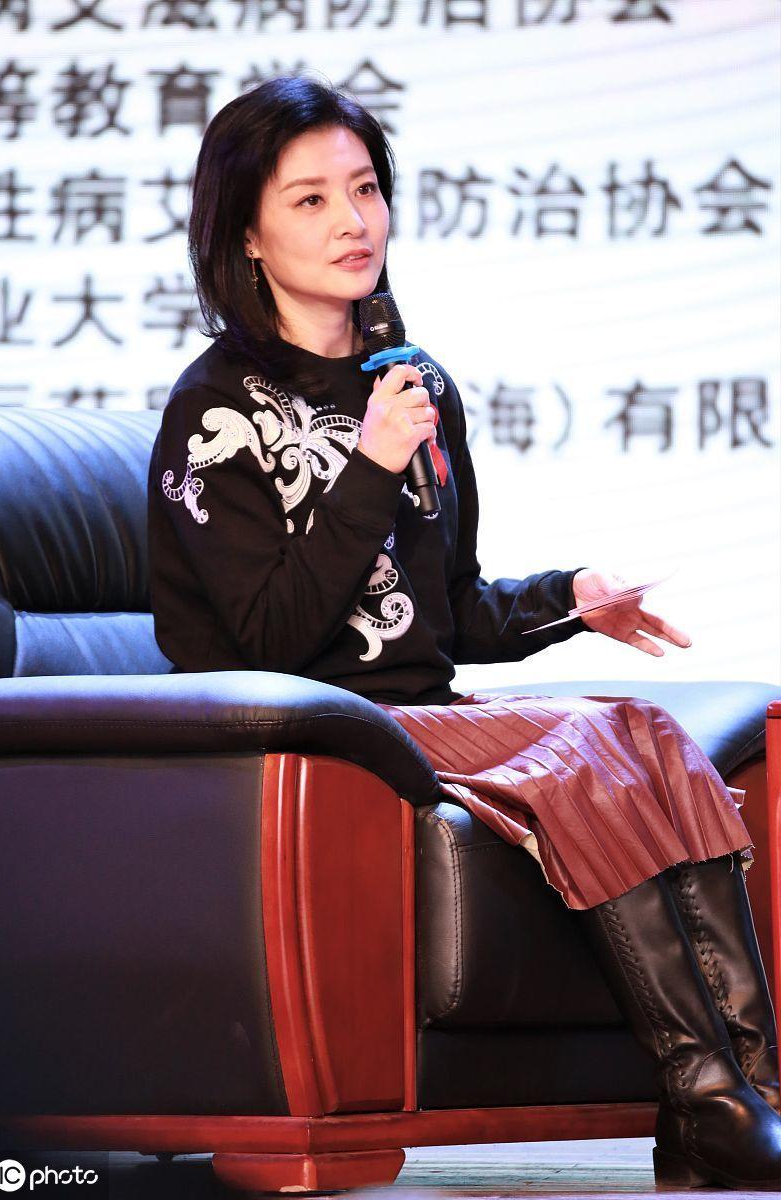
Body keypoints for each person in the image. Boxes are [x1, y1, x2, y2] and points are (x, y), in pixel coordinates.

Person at [146, 75, 780, 1189]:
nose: (353, 222)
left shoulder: (413, 380)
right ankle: (703, 1094)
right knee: (586, 746)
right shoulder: (216, 411)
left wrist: (572, 597)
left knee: (643, 728)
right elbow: (269, 639)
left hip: (423, 716)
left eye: (365, 189)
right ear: (244, 231)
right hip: (321, 740)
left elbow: (444, 607)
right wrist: (371, 464)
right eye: (310, 200)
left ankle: (746, 1096)